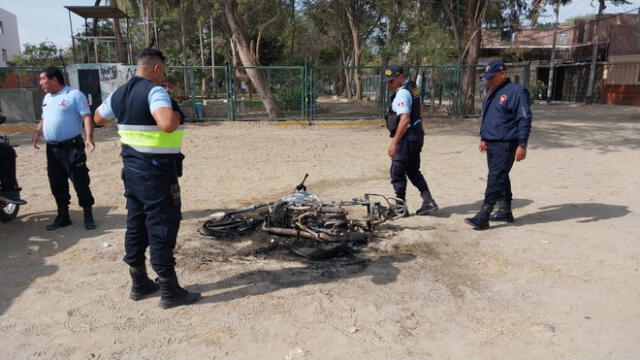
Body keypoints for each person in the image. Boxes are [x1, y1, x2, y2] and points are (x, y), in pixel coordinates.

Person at [94, 48, 200, 309]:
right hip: (156, 173)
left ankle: (139, 283)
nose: (162, 75)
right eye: (162, 70)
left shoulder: (120, 92)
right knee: (161, 224)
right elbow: (166, 123)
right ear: (155, 69)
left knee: (136, 222)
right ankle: (169, 290)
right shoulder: (155, 91)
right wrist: (176, 112)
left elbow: (98, 118)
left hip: (132, 171)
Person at [465, 60, 532, 230]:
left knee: (495, 177)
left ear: (503, 73)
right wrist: (484, 137)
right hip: (492, 141)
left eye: (492, 77)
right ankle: (505, 210)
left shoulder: (517, 92)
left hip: (507, 143)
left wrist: (522, 144)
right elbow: (489, 116)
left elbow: (524, 119)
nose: (488, 80)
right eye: (487, 78)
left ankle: (484, 214)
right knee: (500, 175)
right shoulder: (491, 91)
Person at [32, 67, 96, 230]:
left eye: (42, 79)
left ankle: (88, 214)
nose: (40, 83)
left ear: (53, 79)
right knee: (57, 182)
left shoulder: (74, 95)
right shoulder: (47, 97)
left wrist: (89, 137)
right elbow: (44, 118)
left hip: (71, 147)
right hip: (52, 149)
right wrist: (38, 131)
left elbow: (86, 117)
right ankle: (63, 216)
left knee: (80, 180)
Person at [382, 64, 438, 216]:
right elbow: (419, 108)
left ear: (400, 77)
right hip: (416, 134)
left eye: (391, 81)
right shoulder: (412, 87)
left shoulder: (402, 93)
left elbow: (404, 119)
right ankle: (428, 201)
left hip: (407, 137)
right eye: (387, 81)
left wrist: (394, 143)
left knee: (397, 171)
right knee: (412, 169)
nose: (388, 84)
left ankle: (400, 208)